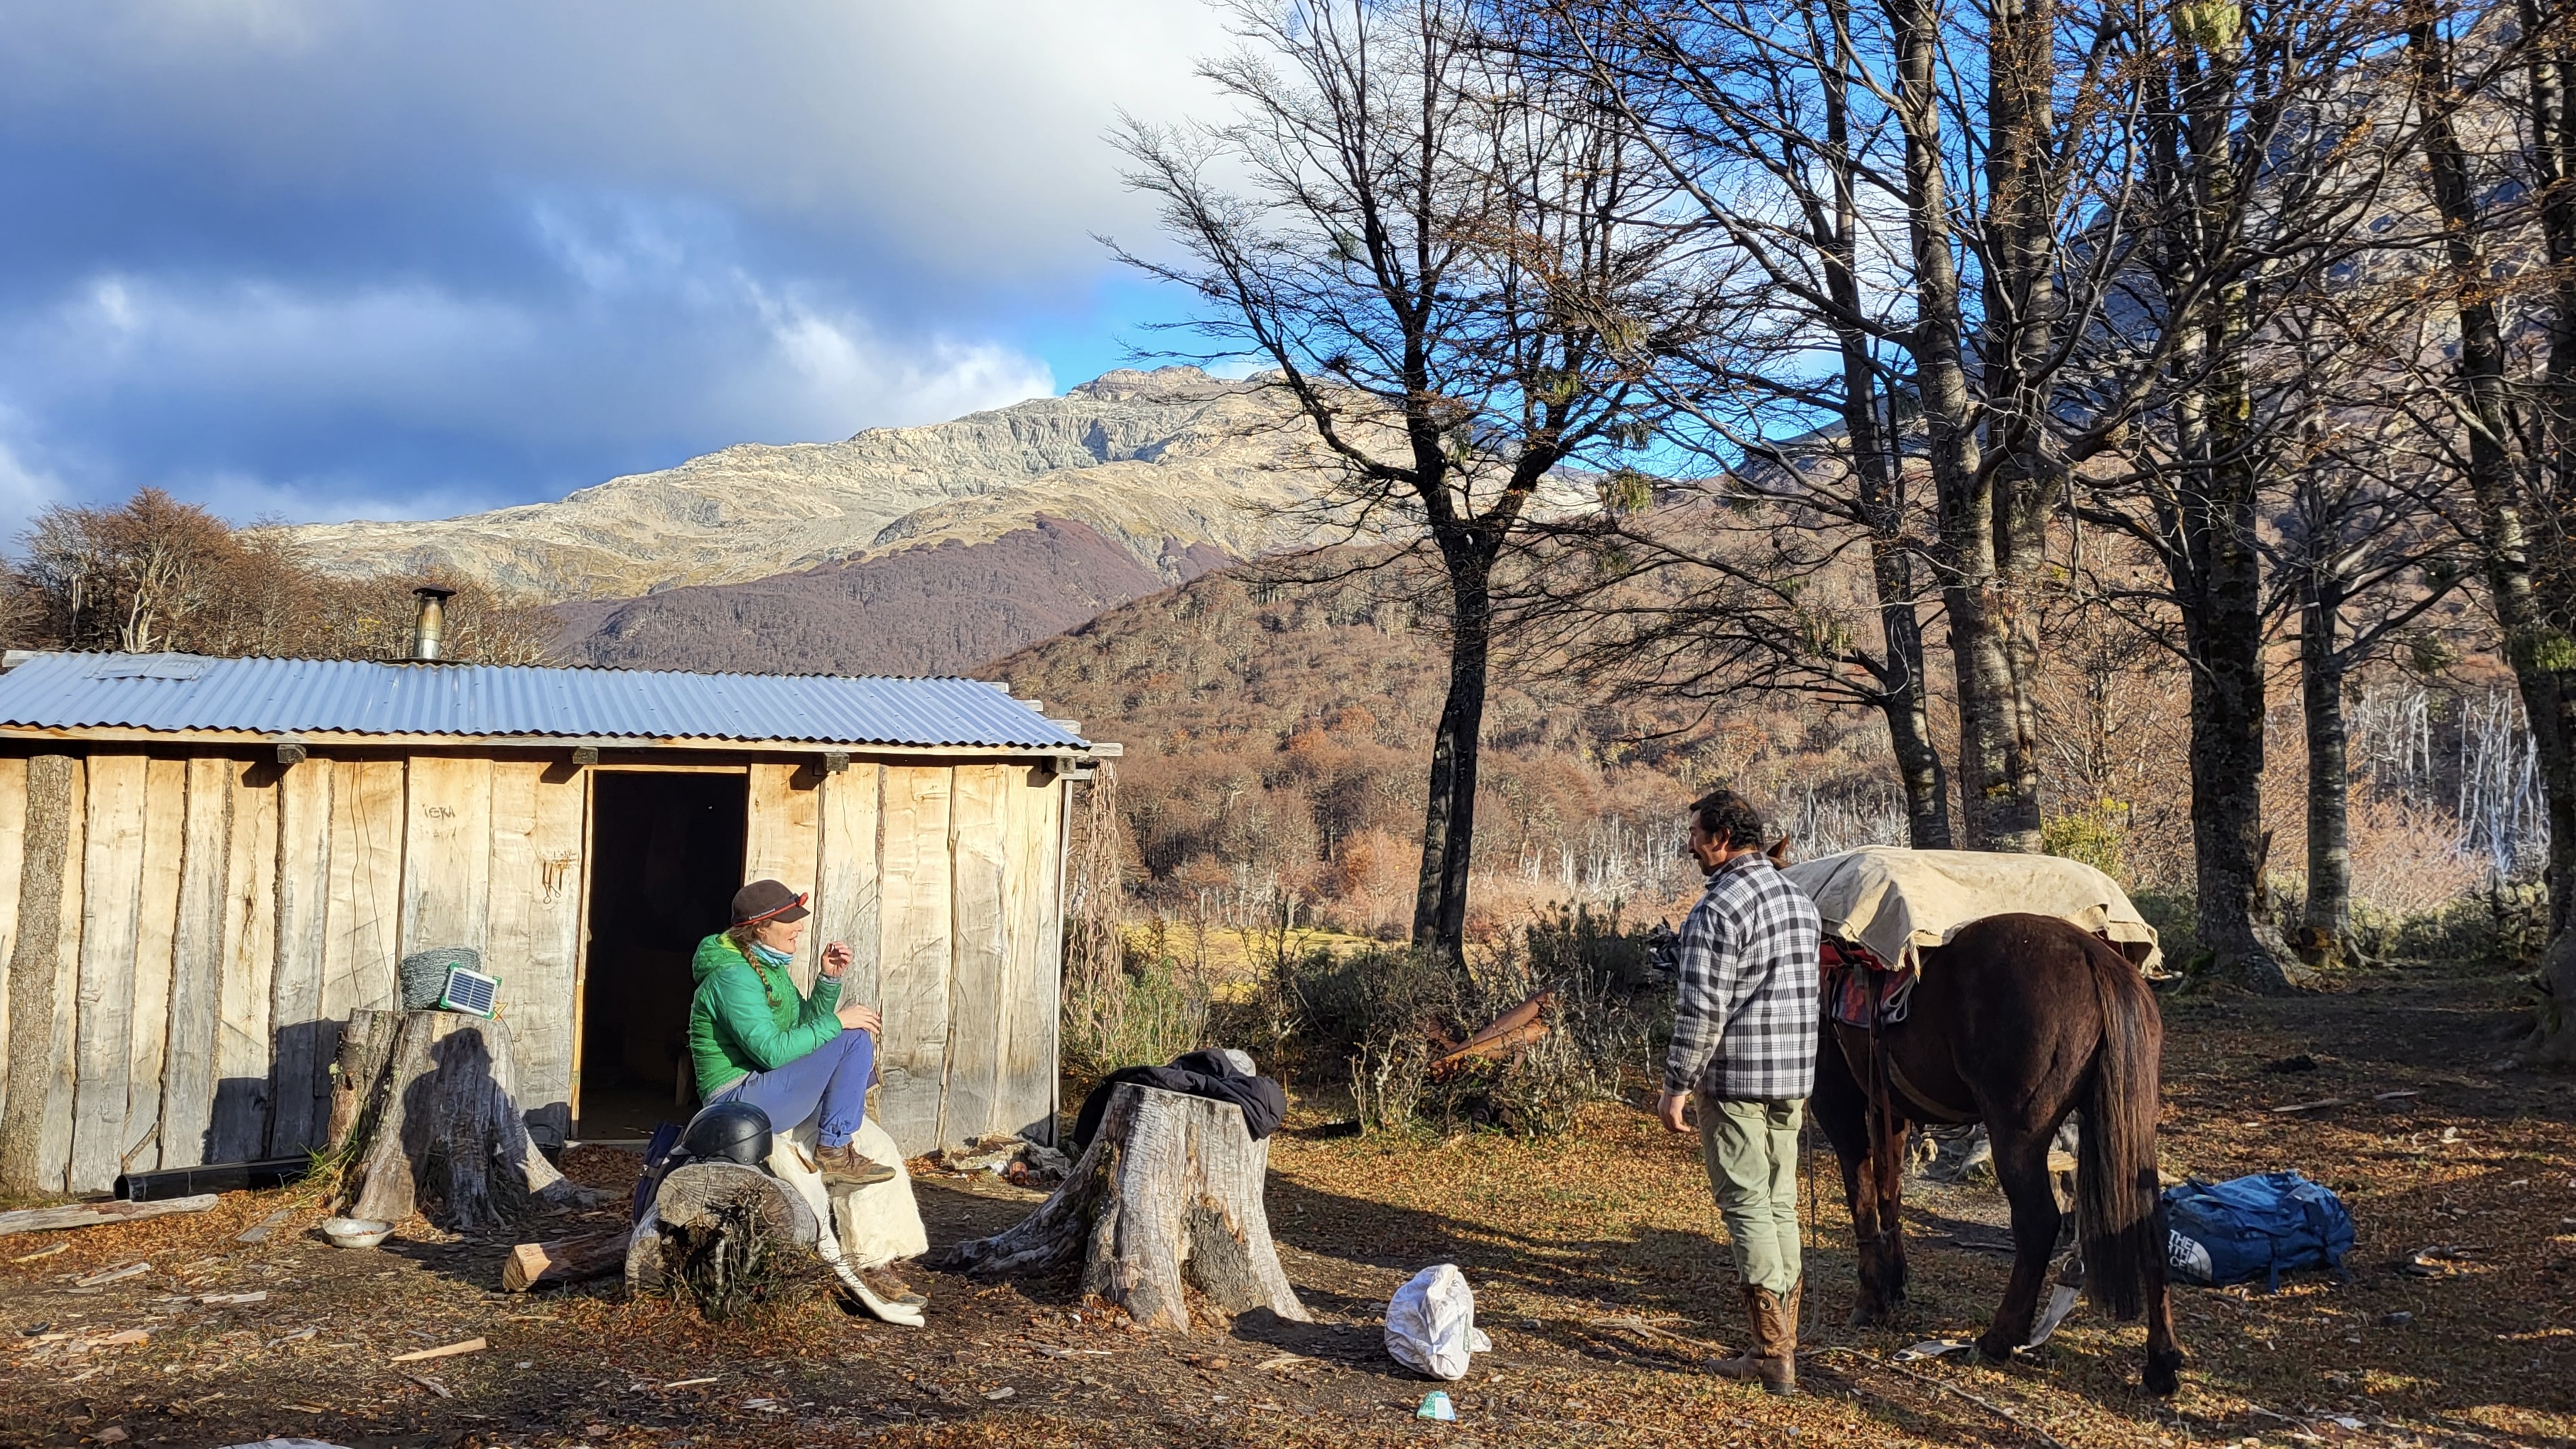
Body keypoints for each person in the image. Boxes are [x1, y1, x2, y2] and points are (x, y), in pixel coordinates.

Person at [1656, 788, 1821, 1396]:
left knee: (1747, 1206)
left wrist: (1676, 1086)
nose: (1691, 845)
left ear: (1723, 838)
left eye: (1697, 833)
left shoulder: (1718, 909)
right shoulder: (1799, 900)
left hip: (1735, 1082)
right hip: (1792, 1080)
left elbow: (1702, 1011)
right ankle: (1783, 1346)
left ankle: (1771, 1354)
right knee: (1780, 1205)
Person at [687, 879, 893, 1186]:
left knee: (849, 1042)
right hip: (736, 1100)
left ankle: (835, 1141)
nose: (799, 926)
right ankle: (834, 1150)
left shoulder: (767, 967)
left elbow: (802, 1033)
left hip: (761, 1087)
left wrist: (828, 981)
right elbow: (774, 1053)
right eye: (788, 920)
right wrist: (839, 1022)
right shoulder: (733, 976)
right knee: (852, 1039)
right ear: (760, 928)